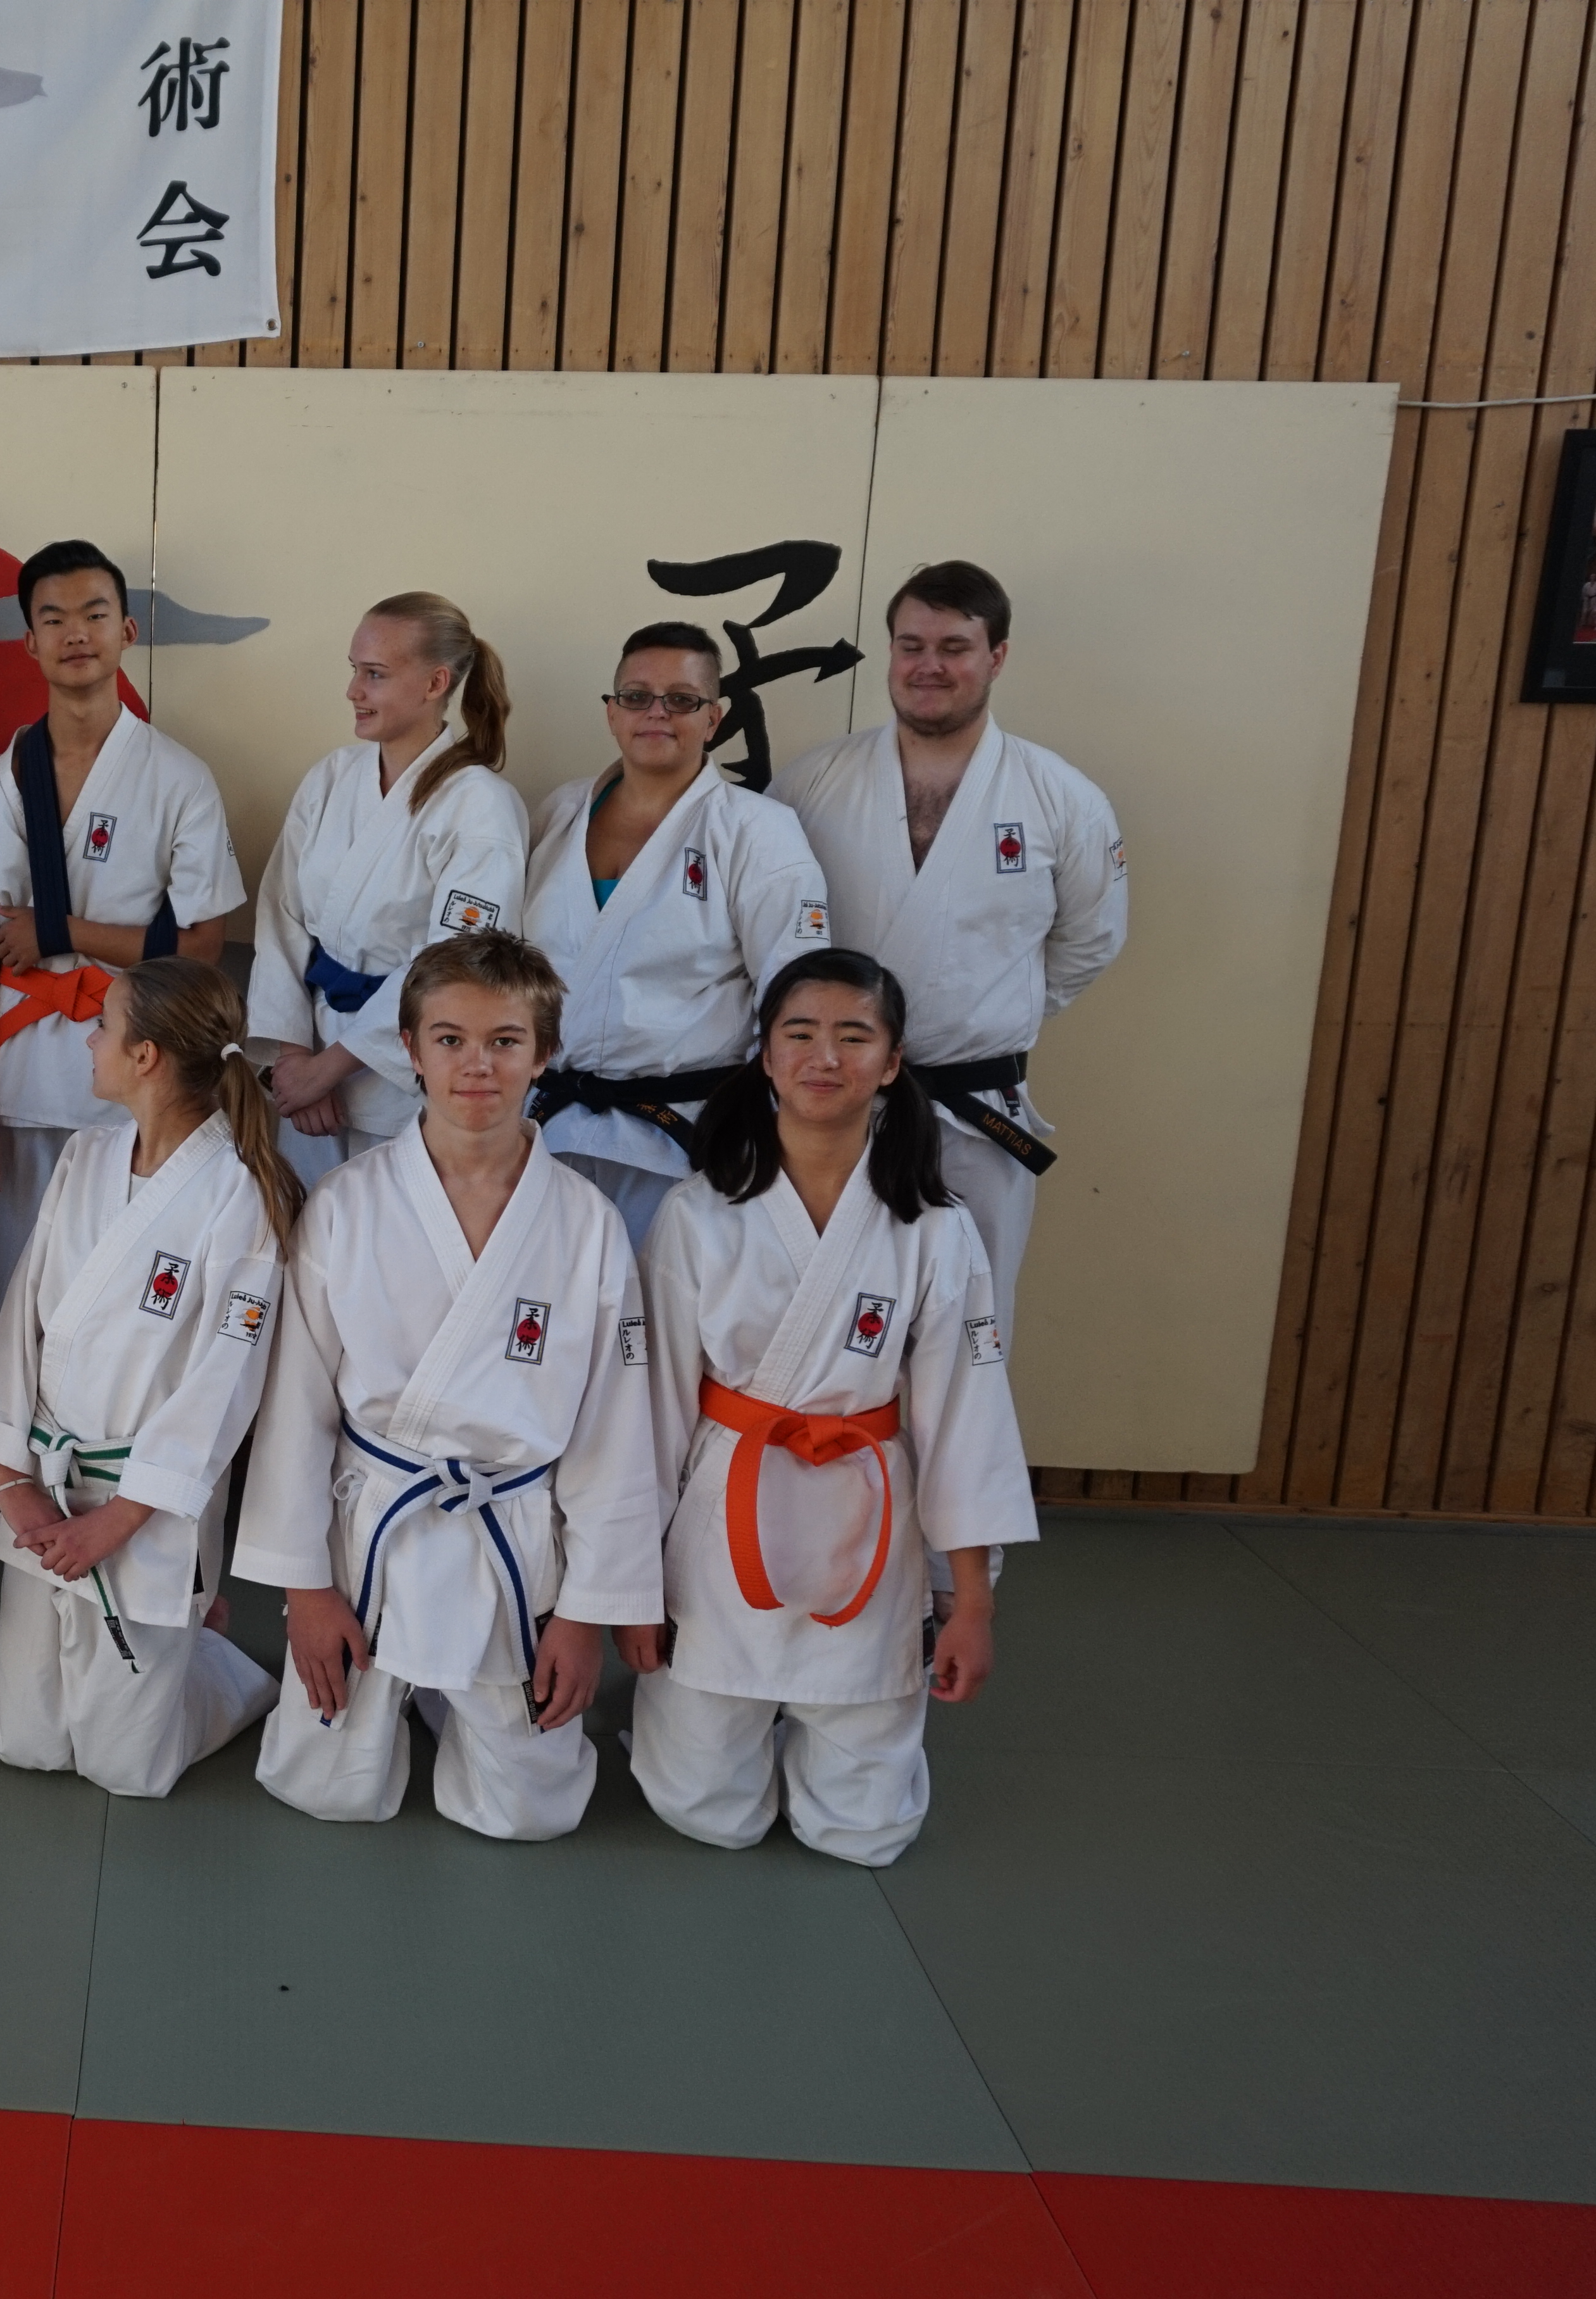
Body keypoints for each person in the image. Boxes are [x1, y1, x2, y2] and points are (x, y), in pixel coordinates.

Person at [234, 932, 668, 1840]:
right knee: (325, 1787)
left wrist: (585, 1613)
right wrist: (304, 1590)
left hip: (510, 1541)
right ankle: (384, 1686)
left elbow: (615, 1436)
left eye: (505, 1041)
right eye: (450, 1039)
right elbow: (296, 1414)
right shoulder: (346, 1204)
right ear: (410, 1049)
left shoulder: (586, 1226)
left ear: (543, 1054)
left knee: (529, 1813)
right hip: (372, 1534)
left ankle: (453, 1691)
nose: (477, 1065)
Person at [627, 949, 1035, 1866]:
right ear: (765, 1056)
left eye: (854, 1036)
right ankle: (714, 1725)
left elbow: (967, 1422)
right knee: (708, 1813)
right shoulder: (698, 1213)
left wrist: (970, 1602)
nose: (825, 1056)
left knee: (865, 1832)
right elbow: (650, 1414)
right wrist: (630, 1583)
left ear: (891, 1063)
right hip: (727, 1515)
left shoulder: (935, 1227)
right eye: (800, 1034)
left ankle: (832, 1728)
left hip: (867, 1519)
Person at [770, 561, 1127, 1329]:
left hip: (973, 1113)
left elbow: (1089, 939)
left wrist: (981, 1008)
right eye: (911, 645)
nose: (927, 665)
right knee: (816, 1321)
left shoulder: (1059, 798)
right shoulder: (811, 784)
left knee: (968, 1328)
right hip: (830, 1107)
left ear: (996, 656)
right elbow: (763, 934)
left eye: (953, 647)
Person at [0, 957, 289, 1798]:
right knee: (23, 1741)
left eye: (103, 1026)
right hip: (47, 1490)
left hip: (145, 1508)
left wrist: (120, 1518)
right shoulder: (84, 1157)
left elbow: (224, 1383)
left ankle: (219, 1668)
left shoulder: (239, 1194)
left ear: (145, 1057)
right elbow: (22, 1319)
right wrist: (9, 1480)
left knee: (127, 1769)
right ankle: (183, 1640)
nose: (89, 1040)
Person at [0, 540, 241, 1305]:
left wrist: (61, 933)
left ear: (126, 631)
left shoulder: (178, 780)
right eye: (53, 619)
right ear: (29, 641)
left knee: (126, 1295)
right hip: (19, 1081)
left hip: (142, 1076)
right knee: (18, 1289)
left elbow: (202, 947)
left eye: (94, 614)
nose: (75, 633)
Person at [519, 622, 833, 1246]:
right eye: (636, 696)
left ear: (713, 718)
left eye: (681, 700)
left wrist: (772, 1136)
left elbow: (796, 1002)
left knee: (667, 1308)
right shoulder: (559, 813)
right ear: (612, 713)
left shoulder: (759, 831)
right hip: (544, 1130)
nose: (656, 713)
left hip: (681, 1142)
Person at [244, 593, 532, 1179]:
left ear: (435, 683)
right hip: (309, 1063)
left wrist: (332, 1068)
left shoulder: (481, 806)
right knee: (305, 1225)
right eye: (355, 670)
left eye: (374, 674)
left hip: (404, 1078)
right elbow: (280, 916)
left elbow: (455, 962)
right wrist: (296, 1058)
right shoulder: (331, 778)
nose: (354, 690)